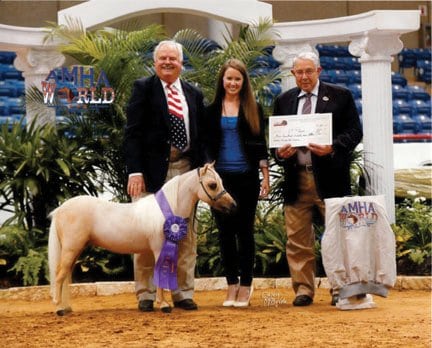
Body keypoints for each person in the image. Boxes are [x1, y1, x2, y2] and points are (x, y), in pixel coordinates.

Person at [272, 51, 363, 307]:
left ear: (319, 71)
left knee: (337, 237)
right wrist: (280, 154)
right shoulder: (284, 101)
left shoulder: (340, 96)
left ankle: (340, 288)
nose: (304, 76)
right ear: (292, 74)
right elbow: (276, 143)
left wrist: (332, 147)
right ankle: (303, 289)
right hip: (296, 179)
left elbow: (355, 132)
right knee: (297, 239)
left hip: (330, 178)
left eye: (308, 71)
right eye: (299, 72)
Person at [124, 40, 206, 312]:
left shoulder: (193, 94)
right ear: (155, 62)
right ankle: (146, 293)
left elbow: (201, 136)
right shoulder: (143, 89)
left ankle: (183, 292)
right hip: (150, 173)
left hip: (185, 171)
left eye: (173, 58)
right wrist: (135, 171)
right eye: (163, 59)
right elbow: (132, 133)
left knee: (184, 235)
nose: (168, 62)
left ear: (182, 63)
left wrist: (203, 173)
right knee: (147, 235)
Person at [204, 58, 270, 307]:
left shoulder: (254, 108)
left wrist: (265, 177)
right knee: (224, 234)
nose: (233, 83)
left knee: (245, 233)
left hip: (246, 178)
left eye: (237, 79)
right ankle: (231, 285)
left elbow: (260, 144)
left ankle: (246, 285)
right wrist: (208, 163)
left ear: (244, 82)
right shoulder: (210, 110)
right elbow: (205, 144)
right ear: (222, 80)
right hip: (220, 182)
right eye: (229, 78)